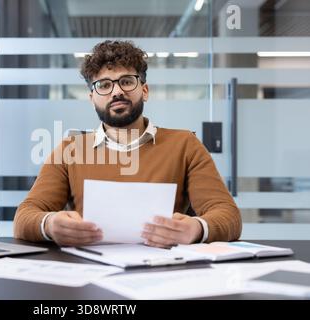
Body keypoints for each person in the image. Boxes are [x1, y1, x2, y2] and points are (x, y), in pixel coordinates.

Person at [13, 40, 241, 248]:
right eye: (104, 85)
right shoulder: (70, 150)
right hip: (89, 271)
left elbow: (228, 215)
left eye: (126, 81)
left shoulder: (185, 145)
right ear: (92, 97)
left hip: (165, 272)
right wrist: (50, 224)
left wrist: (196, 229)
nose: (117, 91)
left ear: (144, 90)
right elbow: (24, 217)